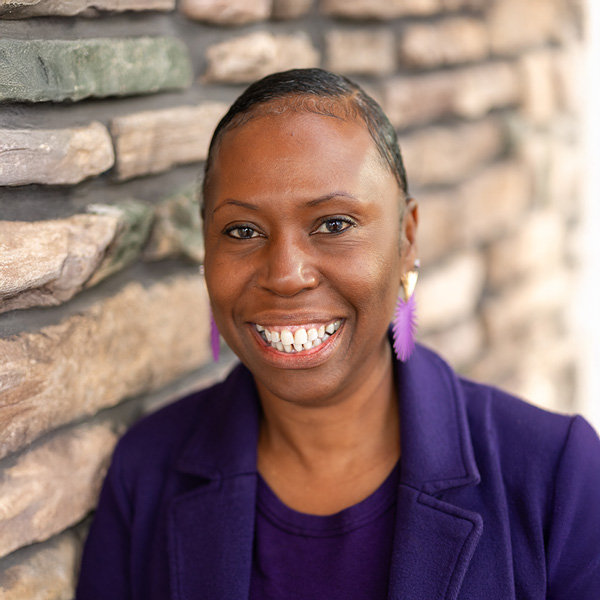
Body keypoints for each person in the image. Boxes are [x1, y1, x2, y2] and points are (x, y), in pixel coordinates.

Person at [76, 68, 600, 599]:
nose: (285, 273)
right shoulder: (147, 473)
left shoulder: (557, 477)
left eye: (333, 224)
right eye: (242, 231)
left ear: (407, 238)